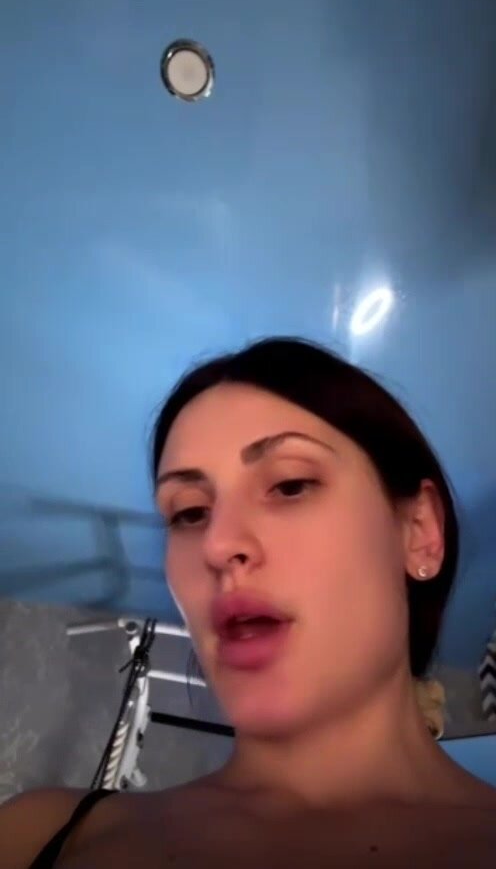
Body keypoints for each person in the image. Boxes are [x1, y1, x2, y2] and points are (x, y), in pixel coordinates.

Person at [2, 335, 495, 868]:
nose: (216, 545)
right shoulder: (36, 835)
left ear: (419, 531)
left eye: (290, 484)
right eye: (189, 513)